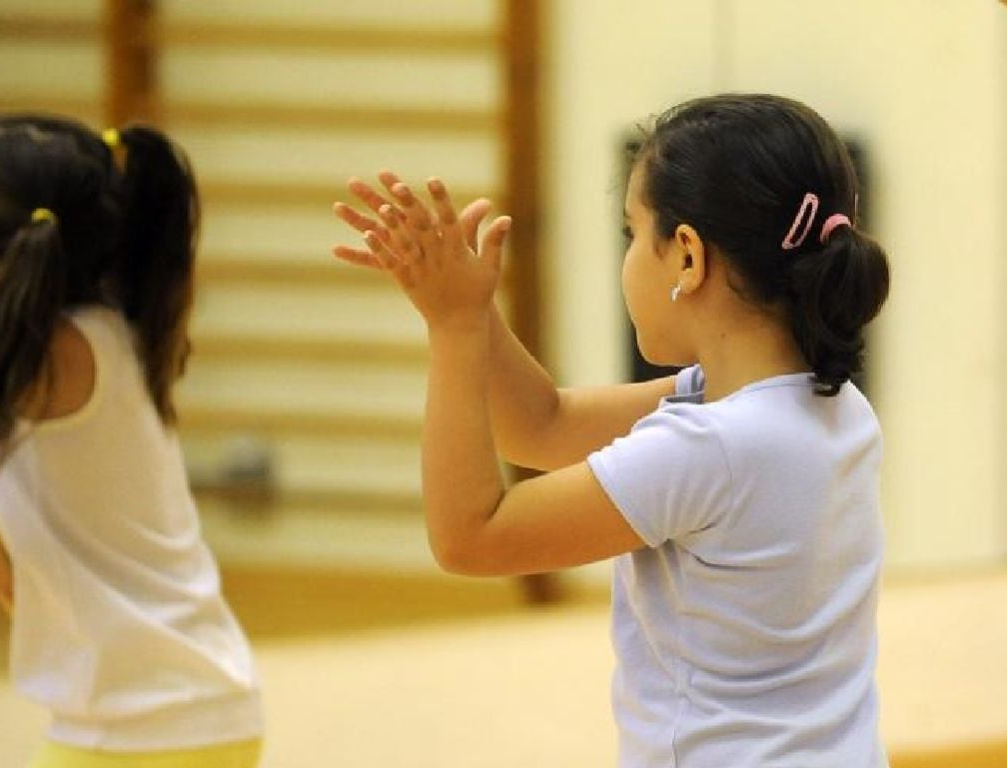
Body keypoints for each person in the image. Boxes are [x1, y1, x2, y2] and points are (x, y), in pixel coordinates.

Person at [333, 93, 890, 767]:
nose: (626, 257)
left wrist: (453, 331)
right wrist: (472, 311)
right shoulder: (827, 405)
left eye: (632, 234)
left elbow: (469, 536)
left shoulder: (710, 449)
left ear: (687, 256)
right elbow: (543, 426)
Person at [0, 115, 263, 768]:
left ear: (2, 248)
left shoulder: (40, 355)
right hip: (186, 712)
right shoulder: (94, 326)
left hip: (141, 728)